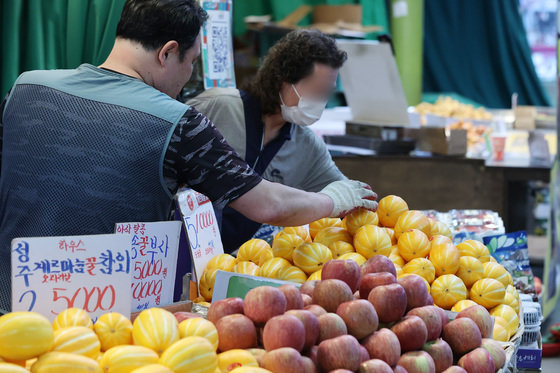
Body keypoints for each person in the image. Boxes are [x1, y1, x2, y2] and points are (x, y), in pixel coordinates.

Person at [0, 0, 377, 312]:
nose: (190, 74)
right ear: (167, 53)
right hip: (105, 327)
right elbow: (268, 203)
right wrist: (334, 199)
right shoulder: (178, 121)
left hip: (12, 306)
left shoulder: (24, 87)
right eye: (191, 61)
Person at [188, 29, 352, 252]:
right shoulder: (218, 108)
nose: (320, 102)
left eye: (326, 93)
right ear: (283, 80)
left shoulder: (307, 147)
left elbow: (346, 195)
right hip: (187, 249)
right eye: (315, 90)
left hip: (242, 262)